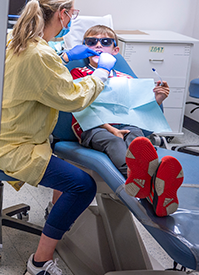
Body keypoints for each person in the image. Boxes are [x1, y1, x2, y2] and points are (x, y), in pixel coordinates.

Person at [0, 0, 114, 275]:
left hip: (3, 132)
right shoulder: (41, 56)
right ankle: (40, 264)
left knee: (68, 157)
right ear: (63, 15)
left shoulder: (16, 39)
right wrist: (101, 74)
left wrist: (64, 55)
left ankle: (56, 216)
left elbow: (38, 63)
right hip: (15, 145)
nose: (72, 19)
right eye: (72, 14)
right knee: (82, 184)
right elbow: (74, 98)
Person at [69, 25, 183, 216]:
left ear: (115, 50)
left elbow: (138, 110)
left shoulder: (126, 78)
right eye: (91, 42)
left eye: (105, 42)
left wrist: (158, 99)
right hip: (93, 127)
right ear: (84, 48)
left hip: (125, 124)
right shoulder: (79, 74)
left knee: (137, 138)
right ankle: (148, 183)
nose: (98, 46)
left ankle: (149, 184)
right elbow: (83, 108)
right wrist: (112, 130)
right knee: (113, 141)